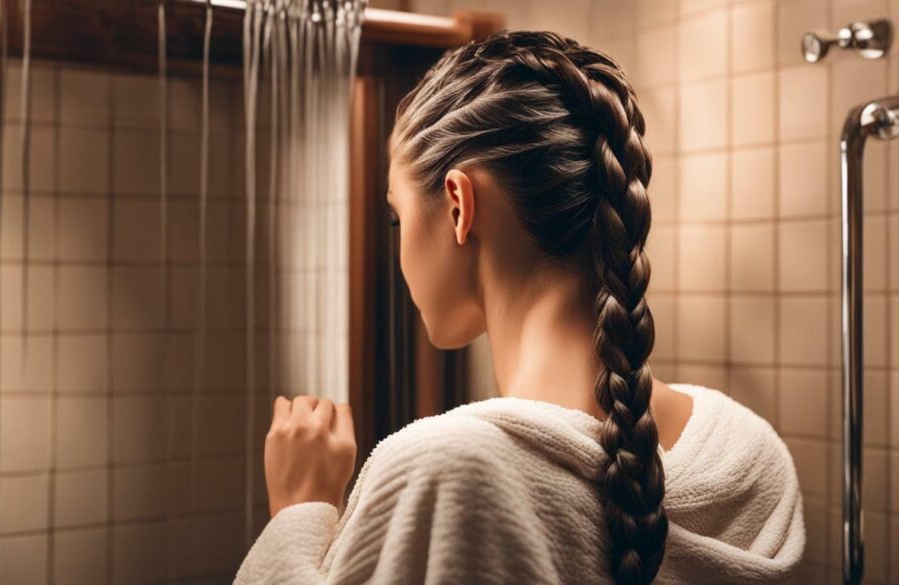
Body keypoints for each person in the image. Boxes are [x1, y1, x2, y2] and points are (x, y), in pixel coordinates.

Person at [234, 30, 805, 585]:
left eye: (396, 217)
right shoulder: (751, 455)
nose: (399, 245)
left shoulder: (443, 472)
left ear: (458, 205)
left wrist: (299, 511)